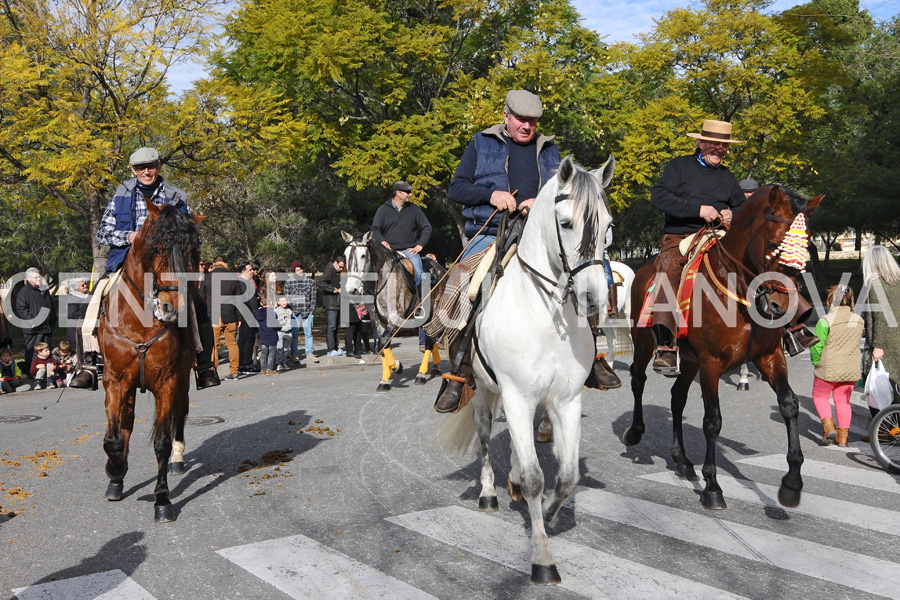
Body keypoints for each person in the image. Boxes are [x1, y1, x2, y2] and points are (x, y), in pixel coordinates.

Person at [435, 89, 618, 412]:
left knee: (584, 275)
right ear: (506, 116)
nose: (527, 126)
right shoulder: (481, 143)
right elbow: (457, 187)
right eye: (521, 119)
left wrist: (541, 201)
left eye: (532, 121)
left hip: (541, 234)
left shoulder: (551, 150)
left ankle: (593, 358)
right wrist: (491, 196)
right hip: (492, 231)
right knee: (465, 284)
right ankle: (458, 373)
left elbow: (566, 193)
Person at [95, 147, 219, 389]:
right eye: (141, 168)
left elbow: (194, 235)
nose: (146, 171)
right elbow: (103, 233)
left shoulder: (176, 196)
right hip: (127, 264)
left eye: (151, 166)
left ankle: (204, 366)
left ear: (159, 167)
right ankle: (89, 364)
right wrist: (129, 236)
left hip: (168, 266)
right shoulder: (121, 195)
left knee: (199, 305)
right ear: (133, 170)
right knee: (91, 298)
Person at [648, 120, 749, 375]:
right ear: (701, 142)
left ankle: (785, 329)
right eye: (714, 144)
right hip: (680, 237)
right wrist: (698, 210)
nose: (719, 149)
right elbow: (658, 196)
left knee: (754, 261)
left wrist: (731, 214)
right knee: (668, 270)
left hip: (718, 237)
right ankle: (666, 346)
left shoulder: (727, 176)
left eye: (723, 145)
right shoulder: (678, 167)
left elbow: (742, 207)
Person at [810, 285, 864, 447]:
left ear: (831, 300)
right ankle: (843, 438)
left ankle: (828, 428)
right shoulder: (859, 320)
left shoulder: (825, 321)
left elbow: (816, 346)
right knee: (843, 400)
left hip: (829, 368)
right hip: (851, 369)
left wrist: (816, 363)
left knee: (820, 396)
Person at [371, 180, 432, 297]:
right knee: (373, 275)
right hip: (389, 252)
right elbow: (375, 229)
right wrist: (382, 241)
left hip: (409, 252)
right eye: (407, 192)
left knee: (419, 274)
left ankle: (418, 304)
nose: (410, 194)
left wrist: (420, 246)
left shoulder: (414, 209)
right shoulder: (383, 210)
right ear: (398, 193)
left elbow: (427, 227)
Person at [862, 245, 900, 414]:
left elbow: (881, 318)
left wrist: (878, 345)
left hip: (885, 344)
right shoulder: (897, 282)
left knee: (876, 389)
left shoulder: (876, 285)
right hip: (896, 341)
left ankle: (884, 433)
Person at [15, 267, 56, 377]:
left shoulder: (44, 290)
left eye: (40, 276)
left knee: (47, 351)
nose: (39, 278)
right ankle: (32, 373)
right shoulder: (24, 292)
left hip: (47, 327)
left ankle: (48, 374)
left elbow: (50, 306)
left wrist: (53, 319)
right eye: (36, 277)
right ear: (28, 278)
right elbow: (21, 309)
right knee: (33, 352)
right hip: (33, 329)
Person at [215, 261, 250, 381]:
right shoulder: (234, 279)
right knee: (232, 344)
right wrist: (239, 317)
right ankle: (234, 371)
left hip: (215, 315)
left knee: (214, 345)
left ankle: (213, 372)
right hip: (231, 314)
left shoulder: (208, 278)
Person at [284, 260, 318, 364]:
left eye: (300, 269)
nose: (299, 272)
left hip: (307, 312)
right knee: (294, 335)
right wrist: (291, 311)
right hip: (295, 313)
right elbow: (286, 297)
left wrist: (311, 311)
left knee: (308, 334)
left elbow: (313, 297)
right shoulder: (289, 282)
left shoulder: (310, 281)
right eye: (296, 270)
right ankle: (294, 354)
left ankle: (310, 353)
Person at [317, 255, 346, 357]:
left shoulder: (336, 271)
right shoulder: (329, 270)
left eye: (343, 267)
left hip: (337, 302)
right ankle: (331, 348)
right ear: (335, 262)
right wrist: (334, 289)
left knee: (336, 326)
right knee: (332, 326)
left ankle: (336, 347)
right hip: (331, 302)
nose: (341, 269)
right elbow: (320, 282)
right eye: (340, 266)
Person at [236, 261, 260, 374]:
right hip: (246, 314)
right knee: (246, 339)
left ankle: (243, 363)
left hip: (251, 314)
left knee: (247, 339)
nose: (252, 271)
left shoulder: (249, 281)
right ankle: (245, 364)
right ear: (243, 271)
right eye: (250, 270)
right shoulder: (241, 283)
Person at [254, 295, 279, 375]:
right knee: (271, 352)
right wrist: (279, 325)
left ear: (261, 303)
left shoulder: (257, 313)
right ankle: (270, 368)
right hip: (271, 335)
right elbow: (274, 324)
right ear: (271, 302)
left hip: (262, 335)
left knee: (264, 352)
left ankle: (263, 369)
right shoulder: (272, 312)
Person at [65, 278, 90, 350]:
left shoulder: (88, 295)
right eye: (82, 285)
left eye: (85, 284)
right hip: (76, 331)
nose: (85, 286)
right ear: (76, 288)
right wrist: (87, 312)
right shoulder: (72, 298)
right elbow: (72, 314)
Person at [274, 295, 293, 371]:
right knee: (279, 348)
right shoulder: (276, 311)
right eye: (282, 301)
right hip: (280, 332)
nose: (284, 302)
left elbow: (292, 321)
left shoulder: (289, 311)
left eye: (285, 301)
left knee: (286, 349)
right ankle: (278, 363)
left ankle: (284, 362)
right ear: (278, 302)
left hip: (288, 332)